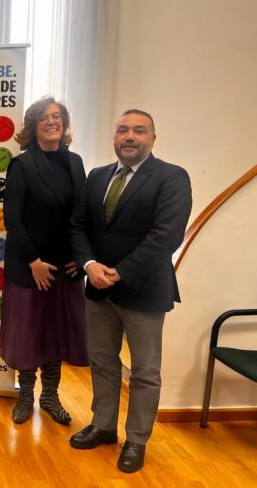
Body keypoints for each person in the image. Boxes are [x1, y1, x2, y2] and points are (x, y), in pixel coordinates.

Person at [69, 109, 192, 473]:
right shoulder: (97, 176)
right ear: (114, 137)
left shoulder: (171, 177)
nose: (129, 136)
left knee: (144, 373)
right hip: (97, 289)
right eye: (122, 129)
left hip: (144, 291)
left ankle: (136, 440)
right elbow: (78, 226)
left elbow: (166, 236)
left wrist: (120, 272)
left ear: (153, 138)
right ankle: (103, 426)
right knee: (102, 362)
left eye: (139, 130)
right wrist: (89, 265)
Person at [0, 96, 88, 426]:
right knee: (29, 334)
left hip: (66, 268)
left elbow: (83, 214)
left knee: (56, 332)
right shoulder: (22, 165)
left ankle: (50, 395)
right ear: (33, 126)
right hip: (30, 267)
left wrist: (81, 257)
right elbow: (13, 219)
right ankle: (25, 396)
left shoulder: (75, 162)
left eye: (57, 116)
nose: (52, 121)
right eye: (43, 117)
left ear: (64, 123)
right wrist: (33, 261)